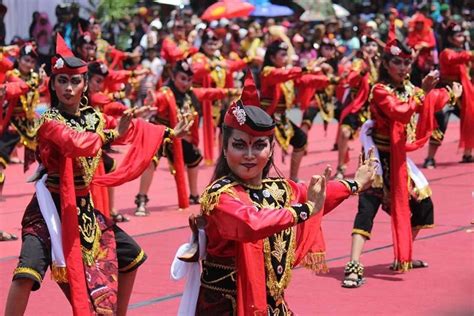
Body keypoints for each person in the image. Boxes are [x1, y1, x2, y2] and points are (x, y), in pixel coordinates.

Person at [4, 34, 192, 316]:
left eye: (75, 81)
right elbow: (76, 142)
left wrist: (167, 132)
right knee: (27, 273)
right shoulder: (50, 121)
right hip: (50, 210)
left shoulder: (94, 117)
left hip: (85, 210)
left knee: (132, 257)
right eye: (62, 81)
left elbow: (128, 128)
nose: (68, 88)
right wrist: (113, 134)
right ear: (53, 85)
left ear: (83, 85)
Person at [185, 71, 376, 315]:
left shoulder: (278, 189)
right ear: (225, 148)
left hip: (271, 305)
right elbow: (250, 222)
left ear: (272, 148)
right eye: (240, 145)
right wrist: (305, 210)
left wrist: (355, 184)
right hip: (227, 306)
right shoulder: (220, 196)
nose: (250, 155)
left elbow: (315, 194)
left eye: (260, 145)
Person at [341, 40, 461, 288]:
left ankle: (403, 254)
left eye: (407, 62)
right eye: (397, 61)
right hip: (377, 158)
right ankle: (353, 265)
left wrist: (449, 93)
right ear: (385, 64)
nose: (403, 67)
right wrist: (426, 93)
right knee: (367, 208)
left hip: (397, 159)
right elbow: (401, 111)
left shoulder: (409, 87)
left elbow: (427, 102)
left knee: (423, 205)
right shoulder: (380, 90)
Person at [136, 60, 240, 214]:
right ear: (173, 76)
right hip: (160, 133)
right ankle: (142, 199)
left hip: (177, 137)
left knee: (194, 157)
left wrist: (232, 92)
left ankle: (193, 194)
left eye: (189, 79)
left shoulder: (191, 94)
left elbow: (210, 92)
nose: (186, 83)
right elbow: (156, 98)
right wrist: (151, 99)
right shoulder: (166, 94)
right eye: (182, 78)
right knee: (150, 162)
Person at [260, 40, 330, 182]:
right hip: (265, 117)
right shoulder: (268, 71)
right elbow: (284, 75)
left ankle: (293, 178)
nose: (286, 57)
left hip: (280, 117)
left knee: (300, 141)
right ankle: (258, 180)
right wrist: (305, 68)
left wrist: (329, 80)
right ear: (273, 57)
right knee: (264, 150)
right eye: (283, 54)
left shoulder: (288, 73)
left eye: (287, 54)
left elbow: (305, 81)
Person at [423, 22, 474, 168]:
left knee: (471, 119)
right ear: (450, 39)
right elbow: (455, 59)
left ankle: (468, 153)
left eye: (462, 35)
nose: (462, 37)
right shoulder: (446, 52)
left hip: (464, 92)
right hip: (446, 93)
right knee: (441, 124)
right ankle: (429, 158)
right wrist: (470, 55)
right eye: (458, 35)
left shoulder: (463, 50)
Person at [335, 35, 380, 179]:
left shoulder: (382, 64)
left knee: (370, 140)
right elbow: (351, 79)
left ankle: (366, 169)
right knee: (344, 132)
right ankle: (341, 167)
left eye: (374, 45)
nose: (371, 49)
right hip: (357, 105)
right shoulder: (358, 63)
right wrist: (363, 71)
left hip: (374, 108)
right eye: (368, 46)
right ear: (363, 49)